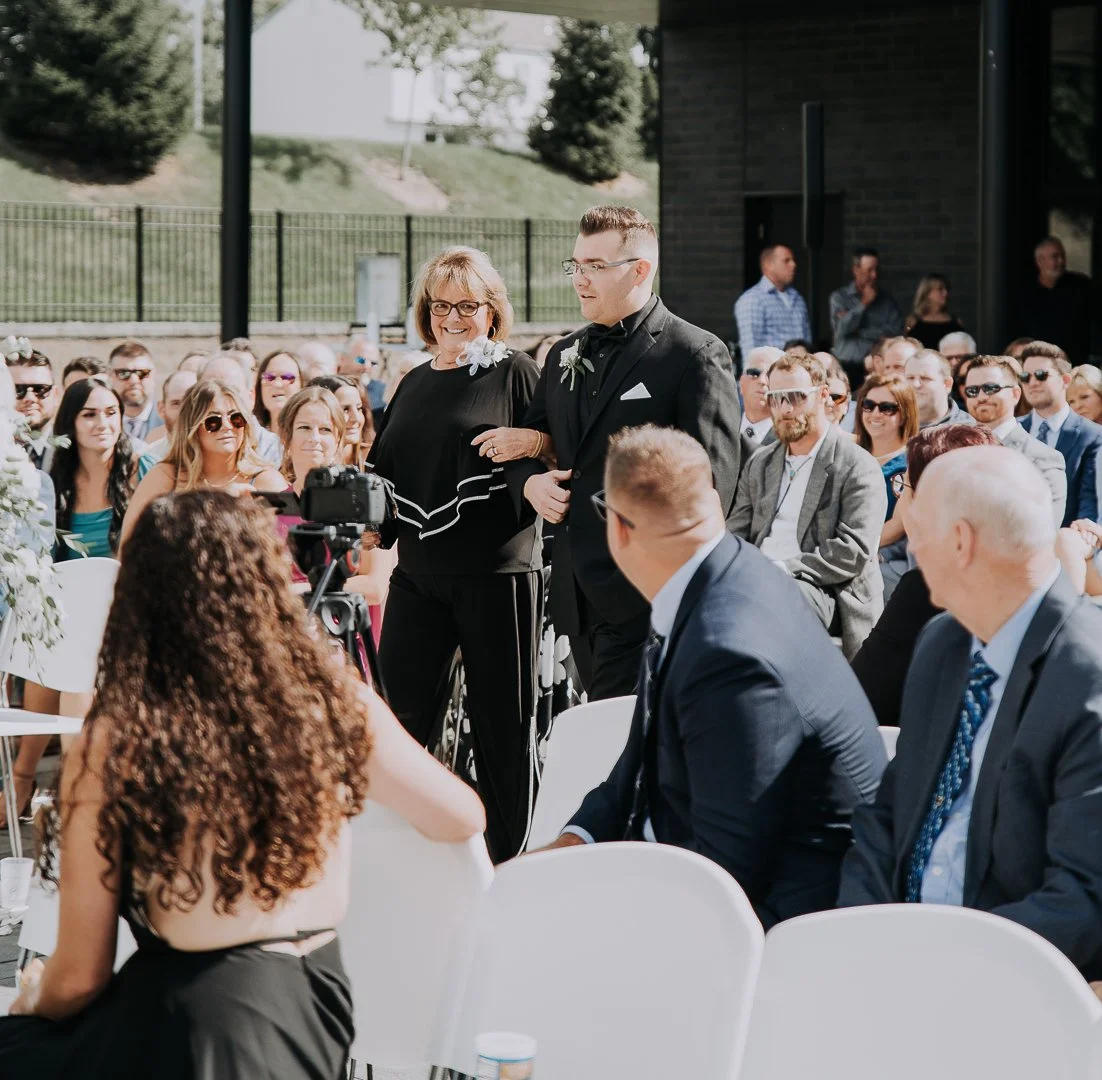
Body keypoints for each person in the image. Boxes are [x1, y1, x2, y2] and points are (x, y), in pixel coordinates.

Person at [0, 491, 485, 1075]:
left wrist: (29, 1005)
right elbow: (462, 816)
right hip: (319, 1013)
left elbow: (78, 976)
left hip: (195, 1027)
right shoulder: (333, 701)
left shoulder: (125, 734)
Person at [543, 425, 886, 927]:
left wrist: (597, 902)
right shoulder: (726, 572)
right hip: (717, 877)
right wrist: (574, 841)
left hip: (789, 929)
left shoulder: (728, 652)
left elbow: (726, 871)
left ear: (616, 527)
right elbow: (637, 766)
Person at [838, 445, 1102, 982]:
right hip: (893, 960)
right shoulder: (943, 642)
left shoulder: (1088, 682)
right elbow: (885, 817)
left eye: (917, 528)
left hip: (1005, 988)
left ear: (959, 541)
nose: (909, 544)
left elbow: (1083, 903)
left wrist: (937, 964)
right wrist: (859, 936)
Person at [506, 205, 743, 699]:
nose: (580, 279)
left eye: (596, 266)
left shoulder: (693, 354)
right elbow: (531, 437)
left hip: (648, 594)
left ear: (640, 270)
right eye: (577, 265)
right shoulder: (564, 354)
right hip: (576, 590)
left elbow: (710, 483)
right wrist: (530, 482)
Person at [367, 246, 542, 863]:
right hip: (418, 574)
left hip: (496, 572)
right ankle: (400, 854)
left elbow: (551, 447)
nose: (453, 317)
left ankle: (508, 861)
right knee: (400, 719)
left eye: (468, 305)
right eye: (442, 305)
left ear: (492, 311)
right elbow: (384, 470)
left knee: (503, 728)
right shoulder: (412, 380)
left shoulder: (515, 371)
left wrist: (538, 436)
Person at [729, 352, 886, 658]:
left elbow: (852, 551)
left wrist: (782, 569)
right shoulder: (761, 462)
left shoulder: (856, 464)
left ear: (823, 395)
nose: (785, 409)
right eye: (776, 398)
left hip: (827, 590)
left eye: (796, 397)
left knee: (779, 596)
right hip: (759, 580)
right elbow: (735, 533)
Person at [850, 424, 1000, 727]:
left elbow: (859, 701)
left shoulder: (925, 591)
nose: (900, 501)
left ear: (929, 503)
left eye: (902, 487)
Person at [276, 387, 394, 633]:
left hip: (346, 639)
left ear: (339, 439)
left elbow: (375, 587)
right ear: (286, 437)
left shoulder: (365, 499)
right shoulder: (272, 506)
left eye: (325, 429)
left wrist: (297, 591)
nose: (315, 438)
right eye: (304, 428)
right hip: (286, 641)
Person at [120, 380, 285, 548]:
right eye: (213, 421)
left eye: (236, 418)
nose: (227, 426)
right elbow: (129, 545)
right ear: (192, 428)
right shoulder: (166, 477)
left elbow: (283, 554)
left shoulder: (266, 482)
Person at [961, 355, 1067, 527]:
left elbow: (1045, 530)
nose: (981, 397)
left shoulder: (1043, 458)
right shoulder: (954, 452)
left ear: (1015, 394)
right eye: (972, 391)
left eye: (990, 388)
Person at [1018, 340, 1102, 527]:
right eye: (1025, 376)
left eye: (1041, 375)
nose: (1032, 383)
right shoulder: (1012, 430)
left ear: (1065, 380)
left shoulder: (1093, 435)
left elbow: (1090, 502)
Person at [854, 376, 919, 594]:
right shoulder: (849, 454)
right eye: (868, 405)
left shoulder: (913, 460)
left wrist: (853, 548)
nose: (875, 414)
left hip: (882, 559)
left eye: (887, 408)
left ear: (904, 414)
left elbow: (897, 525)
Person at [829, 247, 904, 383]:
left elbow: (896, 334)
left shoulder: (887, 300)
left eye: (876, 270)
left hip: (878, 367)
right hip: (846, 365)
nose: (874, 275)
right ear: (856, 270)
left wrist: (860, 331)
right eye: (869, 270)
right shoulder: (840, 298)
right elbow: (841, 329)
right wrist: (863, 304)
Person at [1019, 236, 1096, 365]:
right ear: (1040, 261)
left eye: (1062, 255)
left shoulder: (1081, 286)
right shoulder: (1026, 292)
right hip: (1039, 363)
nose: (1061, 261)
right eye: (1054, 257)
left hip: (1077, 361)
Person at [198, 353, 283, 466]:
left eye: (232, 391)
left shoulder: (275, 450)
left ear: (251, 397)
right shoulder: (184, 449)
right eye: (211, 391)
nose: (221, 398)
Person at [733, 244, 811, 354]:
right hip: (772, 369)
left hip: (801, 368)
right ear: (768, 265)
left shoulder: (797, 298)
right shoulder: (752, 299)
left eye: (793, 260)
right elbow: (750, 349)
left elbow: (807, 342)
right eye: (786, 260)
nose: (793, 265)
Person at [7, 346, 58, 469]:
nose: (30, 398)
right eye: (17, 390)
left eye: (40, 389)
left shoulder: (77, 451)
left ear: (55, 395)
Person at [309, 374, 374, 467]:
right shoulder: (303, 462)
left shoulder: (374, 460)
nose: (356, 418)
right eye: (345, 409)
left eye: (359, 408)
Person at [905, 348, 973, 428]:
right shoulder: (893, 425)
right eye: (910, 378)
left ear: (947, 384)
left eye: (925, 378)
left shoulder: (968, 431)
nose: (916, 384)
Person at [107, 341, 158, 442]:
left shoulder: (171, 422)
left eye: (142, 373)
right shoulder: (103, 424)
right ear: (110, 377)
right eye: (123, 373)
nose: (134, 380)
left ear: (153, 375)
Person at [142, 369, 198, 460]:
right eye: (176, 403)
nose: (184, 412)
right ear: (161, 409)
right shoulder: (148, 461)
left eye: (192, 403)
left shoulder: (221, 456)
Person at [738, 345, 783, 453]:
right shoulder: (721, 433)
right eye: (754, 373)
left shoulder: (790, 441)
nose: (762, 381)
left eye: (770, 375)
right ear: (741, 383)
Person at [904, 273, 965, 350]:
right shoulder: (913, 322)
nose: (945, 293)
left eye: (947, 289)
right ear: (927, 293)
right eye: (940, 289)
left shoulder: (956, 322)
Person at [254, 349, 303, 434]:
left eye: (287, 377)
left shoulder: (313, 439)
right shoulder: (250, 440)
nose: (277, 384)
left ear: (302, 386)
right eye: (269, 377)